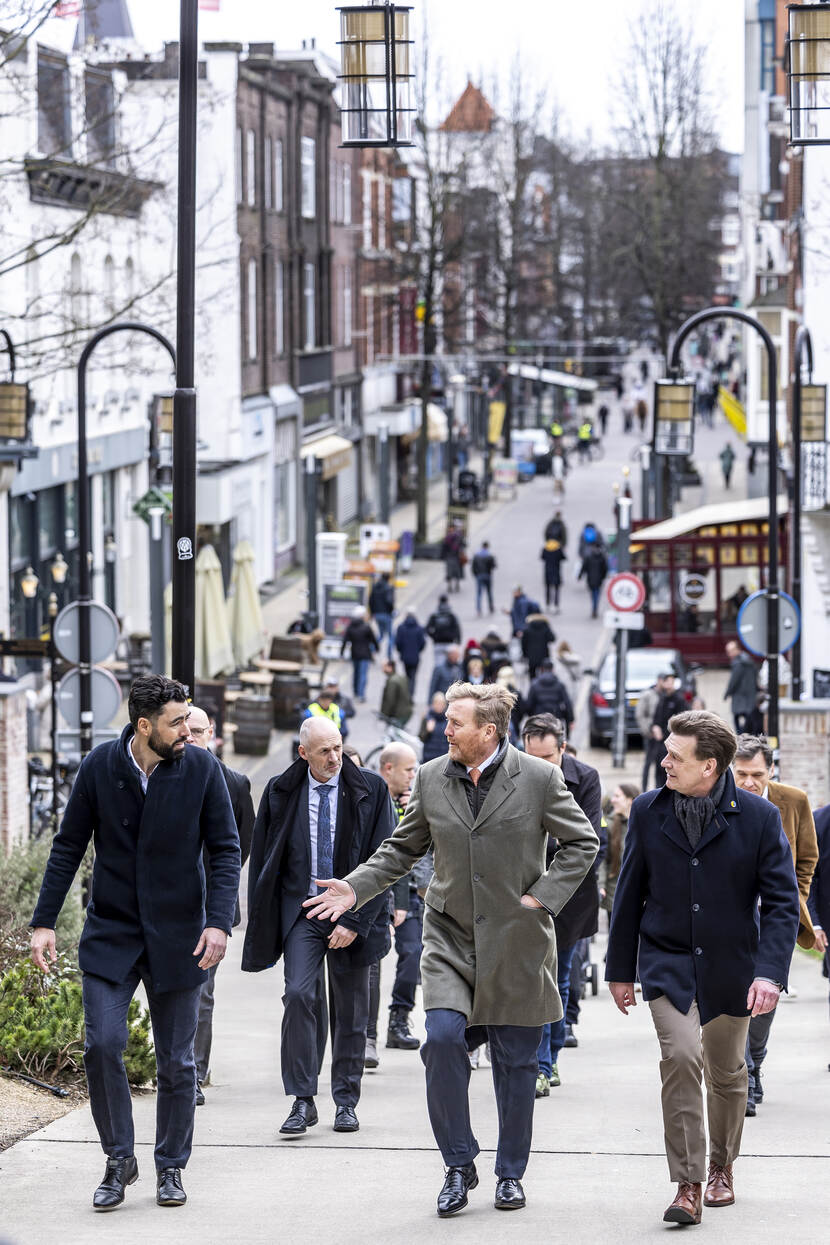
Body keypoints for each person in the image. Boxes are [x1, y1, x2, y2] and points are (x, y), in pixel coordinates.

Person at [304, 682, 599, 1216]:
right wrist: (356, 886)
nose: (445, 730)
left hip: (518, 939)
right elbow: (401, 848)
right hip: (451, 936)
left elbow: (583, 841)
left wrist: (543, 897)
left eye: (454, 723)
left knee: (515, 1062)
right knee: (441, 1041)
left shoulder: (539, 778)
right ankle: (458, 1163)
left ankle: (510, 1173)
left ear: (487, 731)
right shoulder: (432, 777)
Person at [29, 675, 240, 1212]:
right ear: (144, 726)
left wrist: (219, 922)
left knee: (176, 1063)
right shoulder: (101, 765)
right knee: (102, 1044)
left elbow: (224, 849)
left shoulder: (202, 768)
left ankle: (171, 1166)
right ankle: (119, 1158)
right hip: (113, 933)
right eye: (176, 723)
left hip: (181, 937)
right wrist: (44, 921)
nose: (188, 732)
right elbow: (69, 843)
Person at [606, 710, 800, 1227]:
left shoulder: (758, 817)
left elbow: (781, 902)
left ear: (709, 766)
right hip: (666, 961)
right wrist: (620, 969)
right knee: (680, 1057)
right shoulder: (649, 810)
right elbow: (628, 895)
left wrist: (769, 972)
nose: (664, 761)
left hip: (733, 966)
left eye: (675, 756)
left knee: (728, 1074)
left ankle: (722, 1167)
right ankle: (688, 1182)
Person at [242, 717, 396, 1138]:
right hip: (303, 910)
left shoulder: (371, 788)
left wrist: (353, 918)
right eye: (325, 751)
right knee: (297, 994)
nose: (335, 758)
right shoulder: (280, 790)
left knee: (350, 1008)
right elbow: (264, 860)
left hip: (352, 909)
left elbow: (385, 863)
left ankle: (346, 1101)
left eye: (339, 748)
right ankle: (302, 1099)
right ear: (303, 753)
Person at [732, 735, 818, 1115]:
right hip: (731, 915)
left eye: (756, 774)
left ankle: (754, 1064)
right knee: (734, 993)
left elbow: (808, 858)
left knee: (765, 994)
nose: (749, 782)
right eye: (741, 774)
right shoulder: (717, 799)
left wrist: (795, 896)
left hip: (775, 916)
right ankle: (742, 1073)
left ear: (770, 771)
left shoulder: (793, 801)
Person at [522, 715, 603, 1096]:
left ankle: (549, 1058)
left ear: (563, 750)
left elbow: (585, 841)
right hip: (524, 896)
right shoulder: (513, 775)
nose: (538, 765)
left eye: (547, 757)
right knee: (534, 979)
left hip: (570, 897)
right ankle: (539, 1061)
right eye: (530, 755)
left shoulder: (584, 779)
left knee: (560, 976)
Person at [186, 705, 255, 1107]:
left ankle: (195, 1071)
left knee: (202, 992)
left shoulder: (234, 782)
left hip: (211, 906)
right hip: (167, 905)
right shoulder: (160, 776)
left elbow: (241, 845)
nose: (191, 737)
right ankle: (176, 1066)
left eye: (198, 730)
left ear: (211, 733)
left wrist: (220, 895)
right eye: (185, 730)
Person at [378, 743, 425, 1052]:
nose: (413, 775)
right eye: (408, 770)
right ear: (388, 769)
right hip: (378, 894)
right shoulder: (371, 799)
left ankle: (399, 1018)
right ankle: (367, 1031)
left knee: (413, 954)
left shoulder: (415, 801)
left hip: (411, 896)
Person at [638, 672, 686, 790]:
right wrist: (654, 727)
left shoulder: (679, 699)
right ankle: (654, 790)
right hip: (658, 740)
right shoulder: (662, 698)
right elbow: (656, 717)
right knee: (657, 767)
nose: (669, 684)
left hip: (671, 740)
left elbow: (682, 720)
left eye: (672, 681)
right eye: (667, 681)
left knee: (669, 767)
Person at [599, 783, 639, 918]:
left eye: (617, 796)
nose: (612, 800)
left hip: (639, 890)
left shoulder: (644, 823)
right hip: (614, 889)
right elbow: (602, 858)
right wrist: (601, 885)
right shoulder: (608, 823)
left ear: (630, 800)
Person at [524, 660, 574, 734]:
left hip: (539, 718)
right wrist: (570, 719)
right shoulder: (559, 685)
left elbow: (529, 705)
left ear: (541, 669)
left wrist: (532, 716)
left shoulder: (534, 684)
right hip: (555, 718)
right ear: (553, 670)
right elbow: (567, 703)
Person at [340, 607, 378, 703]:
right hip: (365, 654)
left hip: (355, 653)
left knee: (356, 674)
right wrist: (377, 648)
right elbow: (373, 639)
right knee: (363, 675)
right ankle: (361, 694)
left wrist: (342, 653)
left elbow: (345, 641)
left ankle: (356, 692)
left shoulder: (350, 627)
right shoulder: (366, 627)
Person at [724, 640, 758, 733]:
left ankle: (740, 739)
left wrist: (727, 693)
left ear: (737, 649)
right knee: (749, 719)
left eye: (730, 651)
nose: (729, 654)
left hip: (739, 696)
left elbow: (733, 681)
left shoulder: (738, 663)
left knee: (737, 721)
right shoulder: (749, 660)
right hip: (750, 696)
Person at [395, 611, 426, 694]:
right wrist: (418, 651)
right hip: (415, 657)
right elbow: (422, 643)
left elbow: (398, 642)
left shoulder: (401, 628)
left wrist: (401, 651)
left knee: (407, 675)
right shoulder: (419, 628)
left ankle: (407, 694)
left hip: (405, 657)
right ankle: (410, 694)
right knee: (413, 677)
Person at [521, 611, 556, 680]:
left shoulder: (527, 628)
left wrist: (525, 655)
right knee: (544, 674)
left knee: (532, 674)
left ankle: (534, 688)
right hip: (543, 654)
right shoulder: (545, 627)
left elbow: (523, 643)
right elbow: (552, 638)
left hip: (531, 655)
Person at [426, 594, 462, 661]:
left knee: (439, 666)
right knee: (450, 665)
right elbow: (457, 629)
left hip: (437, 644)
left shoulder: (434, 615)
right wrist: (458, 642)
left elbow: (427, 629)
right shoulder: (451, 615)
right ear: (447, 601)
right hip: (450, 643)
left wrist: (434, 636)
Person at [368, 572, 396, 657]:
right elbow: (389, 601)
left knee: (381, 635)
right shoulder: (388, 588)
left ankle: (371, 650)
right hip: (386, 614)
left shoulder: (375, 587)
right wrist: (391, 611)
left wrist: (373, 613)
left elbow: (370, 601)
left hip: (377, 614)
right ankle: (389, 655)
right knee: (391, 636)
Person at [578, 543, 609, 619]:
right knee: (596, 595)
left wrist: (580, 576)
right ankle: (595, 608)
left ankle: (594, 608)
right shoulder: (602, 557)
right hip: (598, 580)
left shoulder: (589, 557)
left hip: (591, 580)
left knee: (594, 595)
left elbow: (584, 567)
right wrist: (603, 577)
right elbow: (605, 569)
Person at [380, 658, 413, 727]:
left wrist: (384, 715)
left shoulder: (392, 681)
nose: (382, 669)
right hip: (406, 711)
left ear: (390, 667)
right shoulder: (401, 677)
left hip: (399, 714)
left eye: (384, 667)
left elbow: (390, 700)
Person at [419, 691, 450, 762]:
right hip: (428, 757)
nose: (439, 706)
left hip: (443, 758)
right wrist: (427, 731)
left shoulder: (448, 719)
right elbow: (421, 738)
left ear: (445, 705)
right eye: (437, 703)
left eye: (441, 704)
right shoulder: (427, 718)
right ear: (433, 704)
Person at [471, 540, 497, 616]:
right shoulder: (490, 555)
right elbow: (494, 566)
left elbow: (473, 567)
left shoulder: (477, 555)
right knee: (489, 592)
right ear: (487, 546)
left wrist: (476, 575)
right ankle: (491, 607)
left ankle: (479, 609)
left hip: (479, 576)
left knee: (479, 593)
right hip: (487, 575)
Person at [541, 539, 566, 611]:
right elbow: (563, 558)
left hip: (547, 572)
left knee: (548, 589)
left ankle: (548, 604)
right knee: (557, 589)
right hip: (556, 571)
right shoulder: (558, 549)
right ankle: (556, 605)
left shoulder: (545, 549)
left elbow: (542, 557)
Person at [442, 523, 466, 593]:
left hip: (457, 557)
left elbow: (463, 545)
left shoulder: (458, 536)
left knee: (457, 572)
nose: (451, 530)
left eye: (452, 528)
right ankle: (449, 586)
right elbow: (444, 547)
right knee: (449, 572)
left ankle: (457, 584)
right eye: (450, 528)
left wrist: (461, 551)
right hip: (449, 556)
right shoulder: (447, 538)